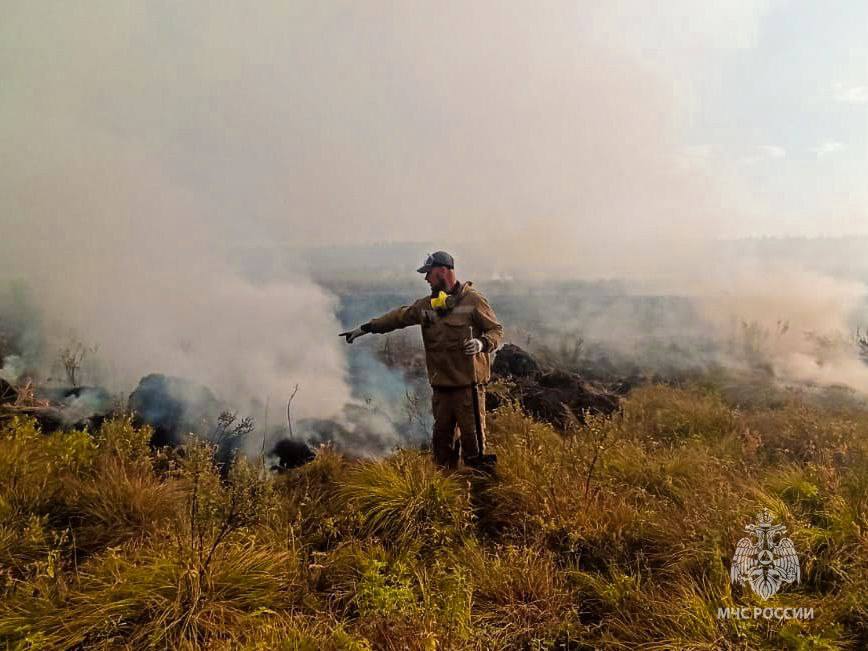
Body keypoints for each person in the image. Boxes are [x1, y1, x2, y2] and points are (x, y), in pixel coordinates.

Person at [340, 251, 503, 468]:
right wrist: (364, 329)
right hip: (442, 389)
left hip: (468, 389)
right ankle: (447, 494)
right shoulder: (428, 306)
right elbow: (399, 317)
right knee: (442, 450)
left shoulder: (473, 300)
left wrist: (482, 343)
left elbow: (496, 330)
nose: (426, 279)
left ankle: (480, 492)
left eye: (429, 273)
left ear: (443, 271)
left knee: (474, 449)